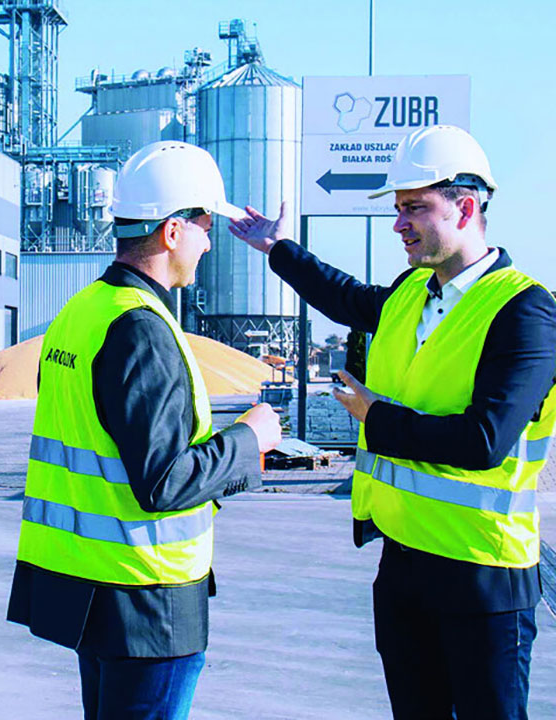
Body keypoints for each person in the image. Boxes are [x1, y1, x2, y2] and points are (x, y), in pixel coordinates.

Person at [228, 124, 556, 720]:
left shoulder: (525, 311)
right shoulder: (410, 292)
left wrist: (377, 420)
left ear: (466, 206)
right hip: (404, 567)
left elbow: (485, 441)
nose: (399, 224)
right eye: (398, 209)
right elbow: (346, 296)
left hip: (484, 576)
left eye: (414, 209)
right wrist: (278, 249)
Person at [7, 140, 282, 720]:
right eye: (205, 224)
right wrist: (249, 441)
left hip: (89, 587)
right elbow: (163, 482)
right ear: (173, 231)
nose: (210, 240)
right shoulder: (141, 328)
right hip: (147, 601)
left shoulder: (82, 311)